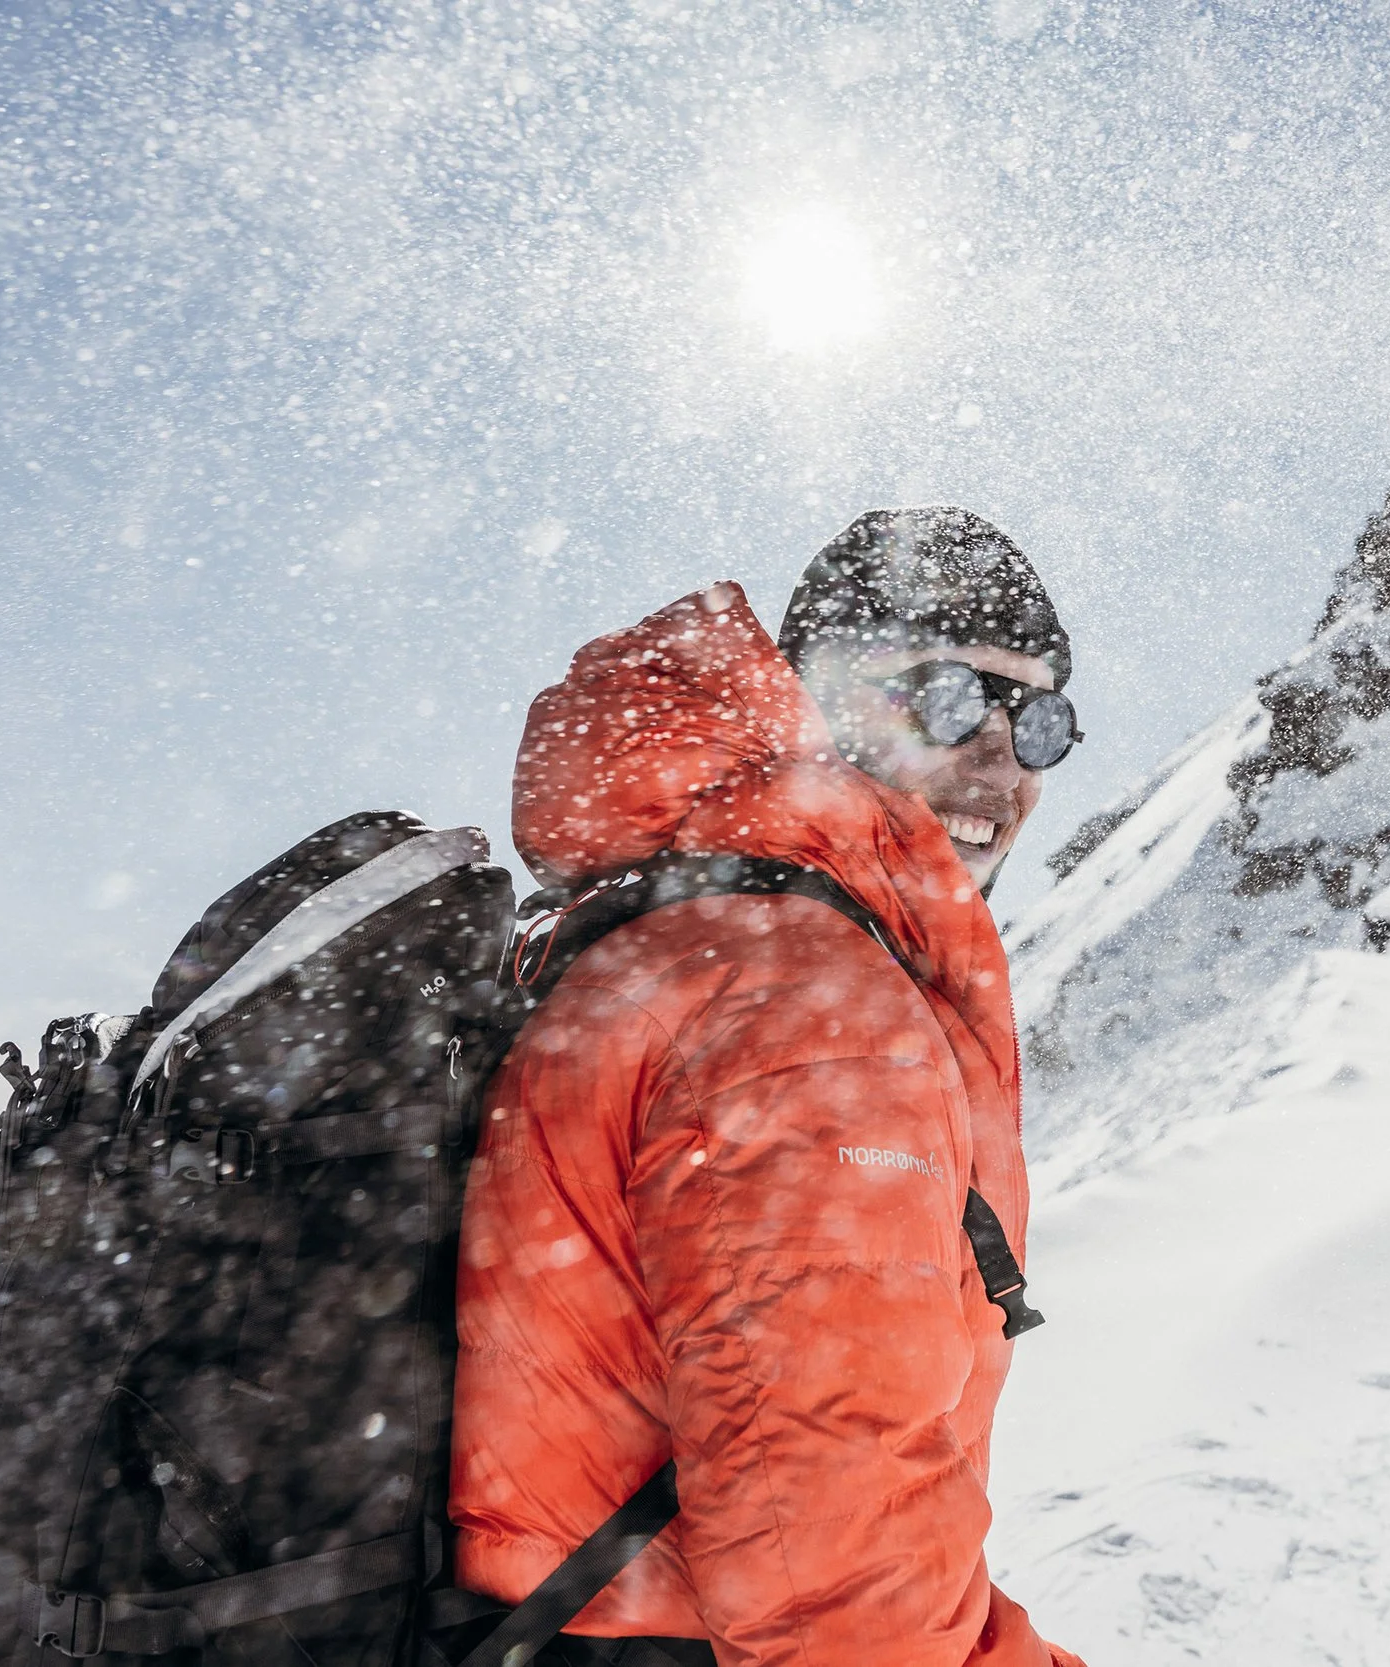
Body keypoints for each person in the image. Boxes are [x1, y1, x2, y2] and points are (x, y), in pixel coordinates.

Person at [453, 506, 1086, 1666]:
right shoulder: (809, 998)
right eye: (949, 699)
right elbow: (840, 1572)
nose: (1001, 757)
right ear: (820, 702)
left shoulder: (683, 923)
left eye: (1039, 720)